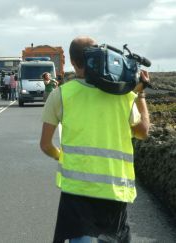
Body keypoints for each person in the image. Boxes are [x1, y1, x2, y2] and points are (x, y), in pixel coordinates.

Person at [40, 36, 151, 243]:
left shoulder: (61, 95)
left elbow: (46, 145)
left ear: (72, 62)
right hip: (115, 190)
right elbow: (143, 132)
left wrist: (61, 157)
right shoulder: (123, 95)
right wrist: (140, 95)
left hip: (76, 192)